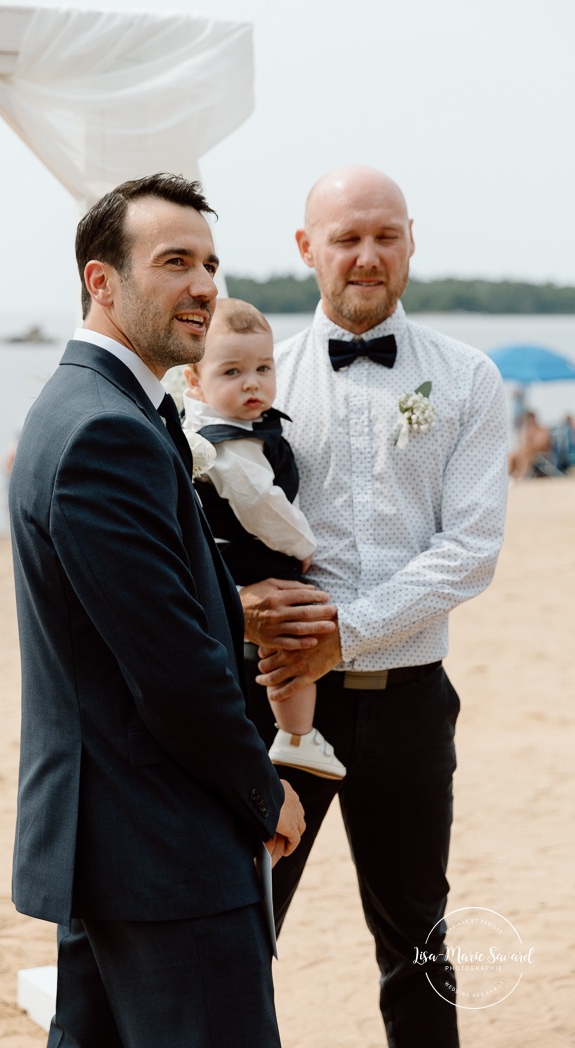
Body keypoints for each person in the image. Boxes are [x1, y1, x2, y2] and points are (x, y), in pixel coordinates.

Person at [7, 172, 305, 1048]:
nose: (205, 285)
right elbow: (172, 670)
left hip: (111, 846)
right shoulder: (105, 429)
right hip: (163, 851)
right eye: (175, 262)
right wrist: (263, 792)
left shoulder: (95, 408)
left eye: (210, 263)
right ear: (102, 281)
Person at [239, 165, 509, 1048]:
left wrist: (342, 635)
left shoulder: (466, 379)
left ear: (410, 242)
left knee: (417, 939)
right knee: (242, 926)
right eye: (345, 237)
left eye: (383, 236)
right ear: (305, 246)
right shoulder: (249, 376)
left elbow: (468, 550)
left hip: (409, 704)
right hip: (273, 706)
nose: (365, 256)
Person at [182, 298, 346, 780]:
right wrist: (303, 546)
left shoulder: (232, 428)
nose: (252, 382)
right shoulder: (230, 446)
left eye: (262, 368)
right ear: (194, 381)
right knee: (296, 632)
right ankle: (297, 735)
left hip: (235, 559)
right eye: (231, 372)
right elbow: (265, 507)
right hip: (253, 561)